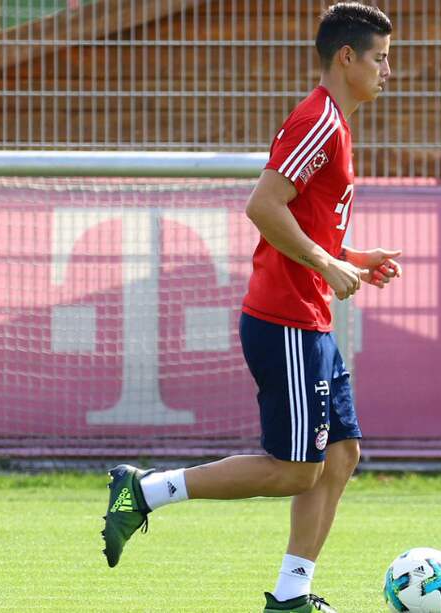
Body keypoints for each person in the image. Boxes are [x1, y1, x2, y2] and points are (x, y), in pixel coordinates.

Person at [101, 4, 399, 611]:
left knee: (340, 455)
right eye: (381, 57)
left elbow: (302, 219)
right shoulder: (317, 119)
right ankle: (146, 490)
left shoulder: (336, 123)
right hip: (286, 318)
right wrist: (326, 265)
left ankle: (292, 595)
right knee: (294, 468)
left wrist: (353, 257)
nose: (388, 70)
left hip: (310, 317)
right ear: (348, 57)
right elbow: (264, 204)